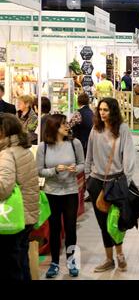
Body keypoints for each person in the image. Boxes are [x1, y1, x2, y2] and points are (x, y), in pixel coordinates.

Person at [85, 98, 136, 272]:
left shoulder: (122, 129)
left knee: (115, 222)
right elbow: (89, 155)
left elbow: (129, 156)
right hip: (96, 181)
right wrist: (87, 177)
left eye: (106, 110)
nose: (102, 113)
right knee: (102, 223)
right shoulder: (95, 129)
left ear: (113, 111)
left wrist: (126, 181)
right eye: (100, 109)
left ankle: (120, 254)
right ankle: (109, 259)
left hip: (115, 182)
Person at [36, 114, 85, 278]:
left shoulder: (74, 143)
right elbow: (39, 170)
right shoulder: (43, 147)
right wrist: (55, 170)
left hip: (70, 191)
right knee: (55, 229)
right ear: (54, 127)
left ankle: (72, 262)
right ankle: (54, 262)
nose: (67, 126)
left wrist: (74, 170)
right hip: (51, 192)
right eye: (63, 124)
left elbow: (82, 164)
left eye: (66, 124)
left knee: (71, 228)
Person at [0, 113, 39, 280]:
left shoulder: (7, 153)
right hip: (26, 215)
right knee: (22, 260)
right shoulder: (23, 149)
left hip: (12, 217)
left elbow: (3, 188)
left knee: (11, 266)